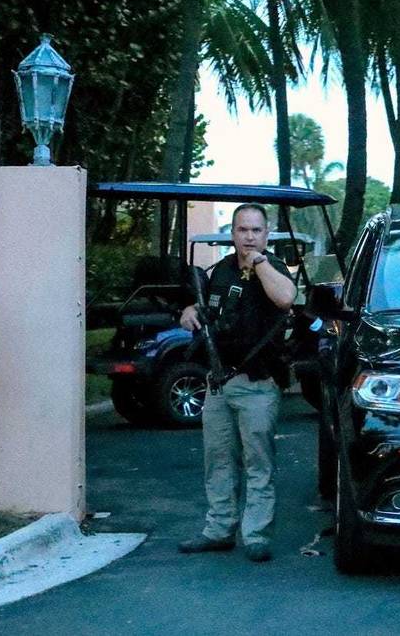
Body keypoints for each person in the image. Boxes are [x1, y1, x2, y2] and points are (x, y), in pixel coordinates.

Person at [177, 203, 296, 562]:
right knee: (218, 461)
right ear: (232, 233)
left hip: (257, 383)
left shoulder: (271, 268)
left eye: (256, 230)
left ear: (266, 234)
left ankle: (256, 535)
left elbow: (286, 298)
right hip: (218, 382)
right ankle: (219, 529)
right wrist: (189, 311)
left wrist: (259, 262)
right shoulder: (221, 271)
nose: (248, 237)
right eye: (242, 230)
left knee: (258, 461)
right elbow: (208, 310)